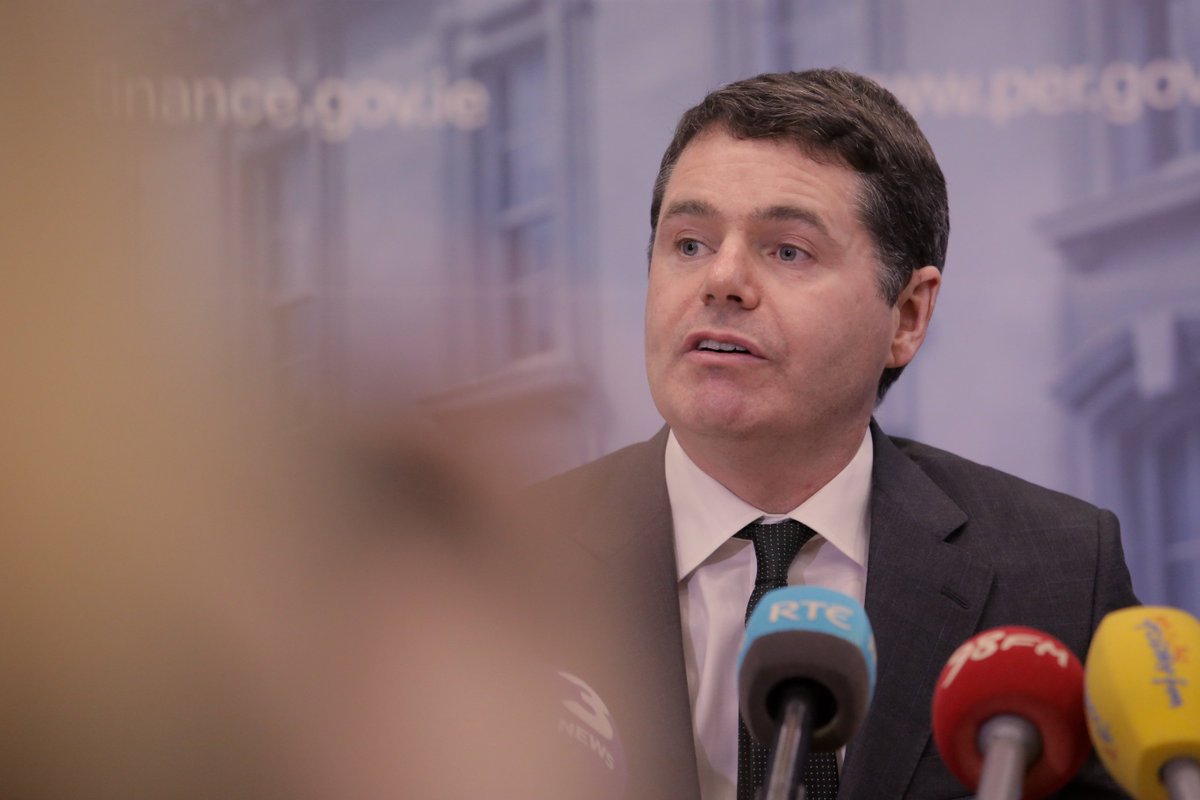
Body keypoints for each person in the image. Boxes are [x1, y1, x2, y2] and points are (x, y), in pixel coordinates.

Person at [529, 69, 1138, 799]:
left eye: (788, 251)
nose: (721, 280)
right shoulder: (495, 562)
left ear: (907, 315)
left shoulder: (1055, 572)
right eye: (689, 244)